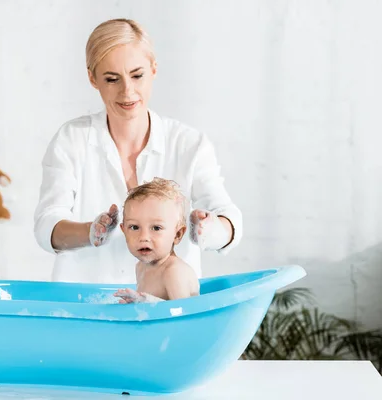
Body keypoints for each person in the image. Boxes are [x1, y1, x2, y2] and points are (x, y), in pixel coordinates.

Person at [33, 18, 242, 284]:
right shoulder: (71, 140)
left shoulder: (189, 144)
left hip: (167, 308)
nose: (127, 91)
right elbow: (46, 226)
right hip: (86, 307)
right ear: (92, 78)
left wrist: (209, 230)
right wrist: (91, 232)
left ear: (154, 69)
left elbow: (229, 218)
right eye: (112, 79)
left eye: (137, 75)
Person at [113, 178, 199, 303]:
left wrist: (144, 300)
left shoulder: (174, 272)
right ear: (124, 231)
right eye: (134, 227)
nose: (144, 237)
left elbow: (184, 315)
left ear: (177, 234)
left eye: (156, 228)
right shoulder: (140, 267)